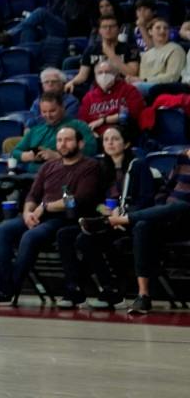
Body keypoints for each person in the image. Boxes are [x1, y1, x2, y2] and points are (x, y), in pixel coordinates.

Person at [0, 123, 108, 307]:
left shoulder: (90, 166)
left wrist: (45, 207)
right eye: (59, 140)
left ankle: (8, 290)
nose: (62, 144)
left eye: (68, 140)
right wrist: (29, 212)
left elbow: (78, 200)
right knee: (2, 230)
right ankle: (0, 288)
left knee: (31, 236)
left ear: (80, 144)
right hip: (37, 215)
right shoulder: (49, 166)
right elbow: (33, 195)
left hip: (65, 218)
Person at [74, 123, 153, 310]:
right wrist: (104, 210)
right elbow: (95, 199)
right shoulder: (101, 167)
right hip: (109, 220)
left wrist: (125, 214)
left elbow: (147, 200)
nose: (110, 143)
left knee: (116, 243)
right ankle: (110, 288)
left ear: (126, 144)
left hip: (131, 220)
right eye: (106, 139)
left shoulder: (138, 165)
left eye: (115, 139)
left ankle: (124, 288)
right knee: (82, 239)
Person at [112, 149, 190, 317]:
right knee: (142, 226)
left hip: (187, 221)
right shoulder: (183, 157)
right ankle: (143, 295)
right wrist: (161, 205)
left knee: (182, 205)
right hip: (169, 218)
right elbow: (166, 187)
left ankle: (124, 219)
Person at [16, 94, 98, 163]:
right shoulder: (36, 130)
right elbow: (15, 152)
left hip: (62, 173)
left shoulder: (79, 125)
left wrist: (59, 155)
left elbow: (91, 148)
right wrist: (25, 156)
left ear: (62, 108)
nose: (48, 115)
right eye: (44, 112)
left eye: (52, 111)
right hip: (29, 175)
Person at [77, 64, 142, 130]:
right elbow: (83, 122)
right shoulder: (88, 97)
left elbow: (133, 114)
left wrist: (104, 120)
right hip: (95, 134)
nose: (104, 75)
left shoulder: (129, 90)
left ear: (116, 75)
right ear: (95, 76)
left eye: (108, 72)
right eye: (100, 73)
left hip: (121, 131)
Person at [138, 17, 185, 89]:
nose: (162, 31)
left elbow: (173, 76)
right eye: (158, 28)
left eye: (166, 28)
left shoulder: (176, 49)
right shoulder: (146, 55)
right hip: (145, 85)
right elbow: (142, 76)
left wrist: (145, 80)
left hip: (165, 88)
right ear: (150, 32)